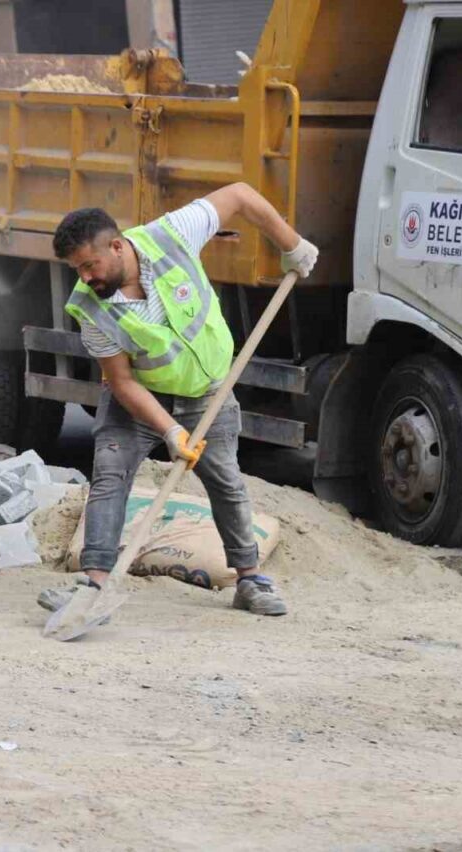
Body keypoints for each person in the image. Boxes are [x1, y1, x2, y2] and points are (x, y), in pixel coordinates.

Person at [39, 184, 318, 617]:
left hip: (207, 389)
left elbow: (241, 195)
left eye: (90, 265)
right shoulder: (90, 310)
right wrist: (170, 430)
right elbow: (122, 382)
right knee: (110, 473)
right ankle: (93, 584)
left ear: (116, 246)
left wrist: (291, 245)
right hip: (139, 398)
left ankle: (249, 580)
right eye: (77, 270)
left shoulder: (170, 235)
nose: (85, 278)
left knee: (225, 480)